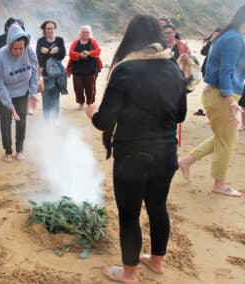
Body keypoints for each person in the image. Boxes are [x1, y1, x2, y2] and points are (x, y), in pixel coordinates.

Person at [86, 15, 187, 283]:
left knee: (129, 214)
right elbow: (181, 115)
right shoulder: (173, 67)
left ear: (131, 37)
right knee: (158, 207)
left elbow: (105, 121)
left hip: (132, 156)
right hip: (167, 153)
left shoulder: (125, 69)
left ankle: (130, 273)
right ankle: (156, 261)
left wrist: (92, 112)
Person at [179, 5, 245, 197]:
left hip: (221, 94)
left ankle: (186, 161)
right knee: (227, 142)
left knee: (223, 137)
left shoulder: (234, 36)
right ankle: (219, 184)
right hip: (222, 96)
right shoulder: (234, 39)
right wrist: (232, 103)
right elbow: (226, 71)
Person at [0, 24, 38, 163]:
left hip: (22, 91)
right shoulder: (0, 56)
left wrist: (33, 93)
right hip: (5, 90)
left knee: (21, 120)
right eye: (15, 49)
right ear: (9, 45)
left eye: (21, 48)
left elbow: (35, 71)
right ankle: (8, 151)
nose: (18, 52)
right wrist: (9, 105)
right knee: (6, 121)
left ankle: (19, 149)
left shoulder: (29, 52)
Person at [36, 20, 66, 122]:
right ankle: (47, 120)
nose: (50, 30)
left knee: (56, 97)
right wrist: (53, 51)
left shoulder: (59, 40)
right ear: (44, 29)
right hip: (45, 74)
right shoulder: (40, 41)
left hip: (57, 74)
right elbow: (39, 57)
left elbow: (62, 55)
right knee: (46, 98)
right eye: (48, 28)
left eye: (52, 28)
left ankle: (55, 119)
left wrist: (47, 51)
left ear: (55, 29)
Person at [66, 25, 102, 109]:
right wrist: (80, 55)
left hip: (91, 69)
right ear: (81, 33)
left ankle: (90, 103)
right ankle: (80, 103)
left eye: (88, 32)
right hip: (77, 69)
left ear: (90, 33)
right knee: (78, 87)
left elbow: (98, 51)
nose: (86, 34)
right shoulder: (75, 42)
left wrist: (89, 53)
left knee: (90, 87)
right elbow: (71, 53)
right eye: (84, 32)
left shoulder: (93, 41)